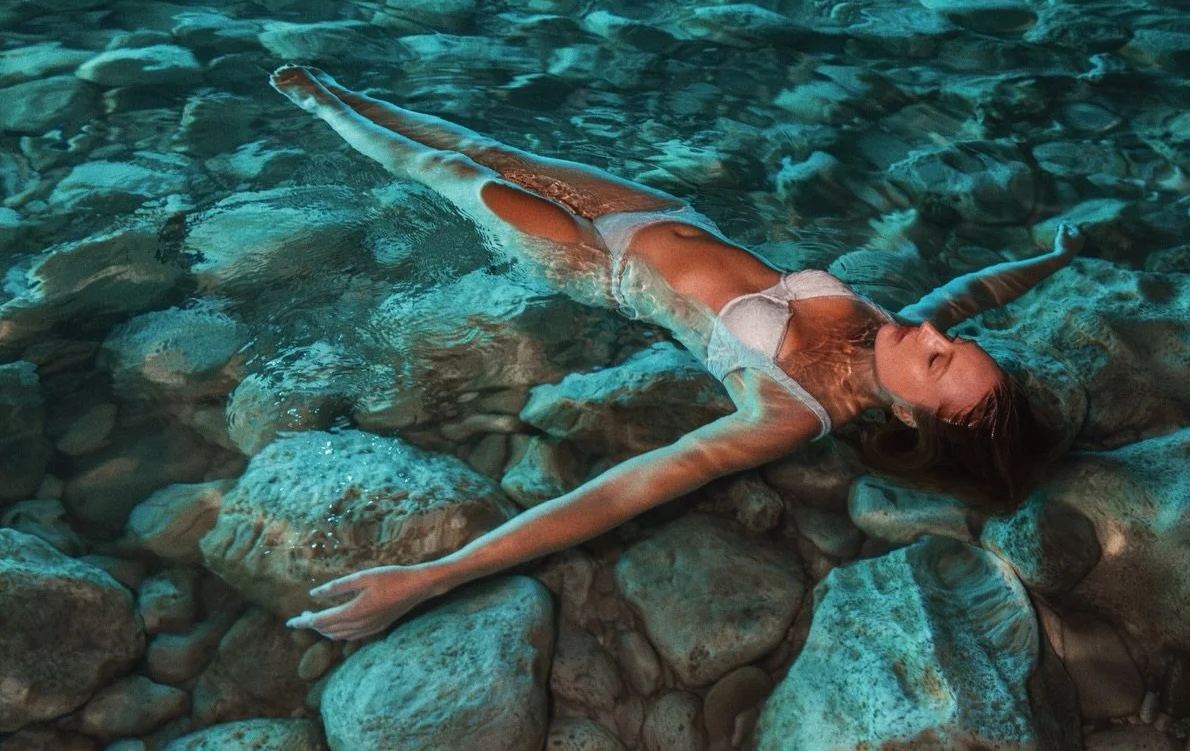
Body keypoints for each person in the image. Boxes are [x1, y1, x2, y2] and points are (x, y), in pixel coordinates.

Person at [270, 66, 1081, 641]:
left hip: (596, 261)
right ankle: (348, 92)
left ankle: (326, 113)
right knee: (491, 147)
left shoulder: (791, 413)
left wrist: (429, 579)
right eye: (952, 343)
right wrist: (1053, 258)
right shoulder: (889, 326)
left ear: (911, 414)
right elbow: (976, 291)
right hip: (659, 209)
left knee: (451, 170)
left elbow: (620, 494)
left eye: (939, 361)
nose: (936, 335)